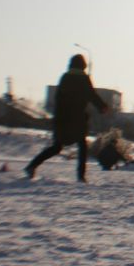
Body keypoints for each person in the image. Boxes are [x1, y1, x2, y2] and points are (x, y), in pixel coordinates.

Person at [24, 54, 108, 182]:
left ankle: (32, 166)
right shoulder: (84, 79)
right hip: (76, 119)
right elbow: (91, 95)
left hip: (62, 119)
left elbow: (58, 98)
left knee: (57, 147)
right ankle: (81, 176)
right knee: (82, 146)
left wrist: (57, 117)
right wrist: (102, 107)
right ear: (83, 66)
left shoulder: (65, 77)